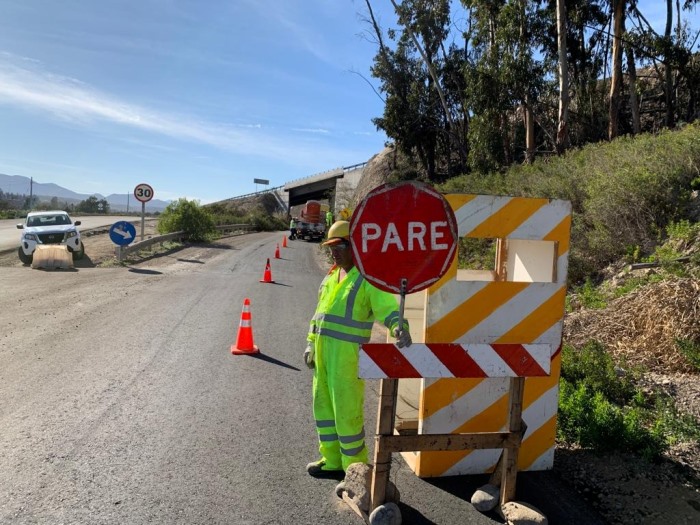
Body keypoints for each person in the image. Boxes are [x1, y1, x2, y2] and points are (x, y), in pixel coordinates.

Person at [304, 220, 412, 477]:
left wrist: (399, 326)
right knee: (324, 410)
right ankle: (331, 460)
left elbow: (387, 308)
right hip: (322, 358)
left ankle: (354, 468)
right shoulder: (331, 276)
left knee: (346, 412)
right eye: (331, 247)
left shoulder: (368, 280)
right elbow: (318, 315)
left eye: (339, 246)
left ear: (357, 247)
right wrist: (310, 344)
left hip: (347, 360)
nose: (334, 252)